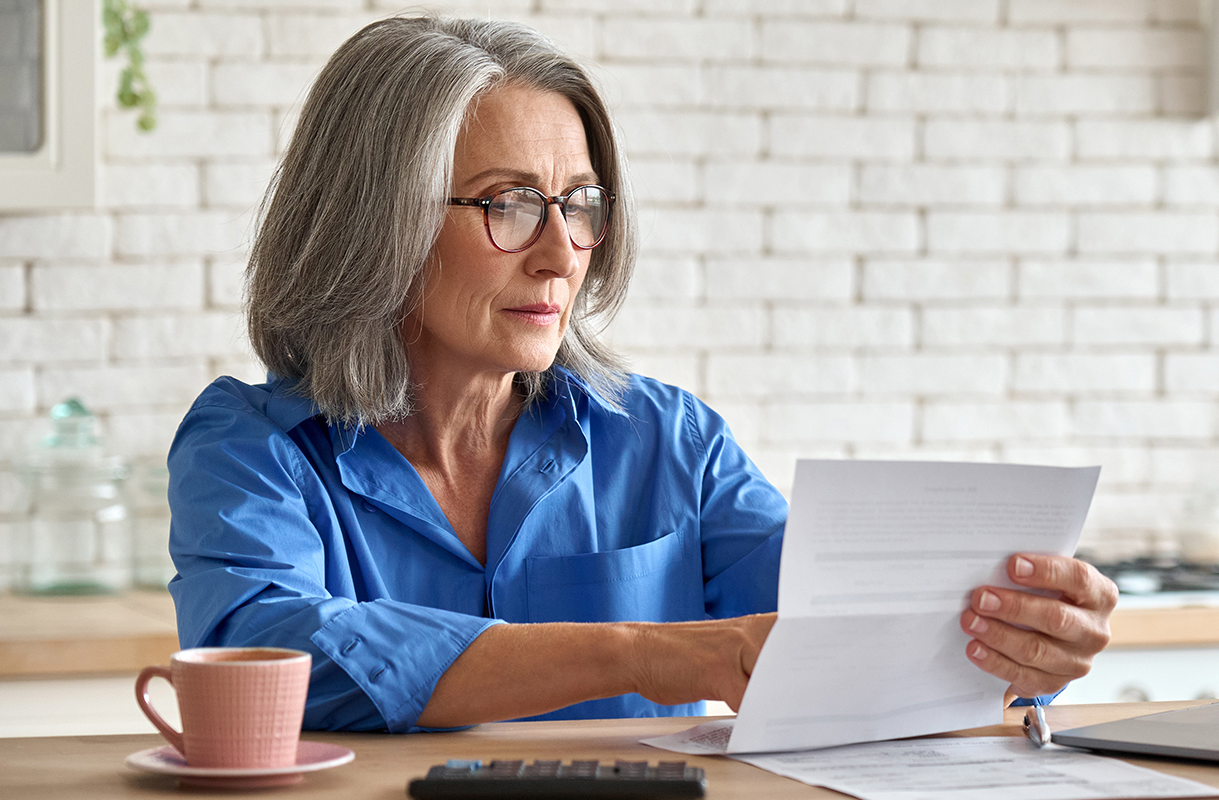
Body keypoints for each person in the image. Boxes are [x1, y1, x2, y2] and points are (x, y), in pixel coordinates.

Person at [166, 15, 1117, 734]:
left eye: (580, 204)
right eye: (509, 205)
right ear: (377, 223)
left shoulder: (672, 445)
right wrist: (643, 653)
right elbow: (270, 658)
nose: (561, 254)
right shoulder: (251, 449)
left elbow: (845, 629)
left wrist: (1021, 644)